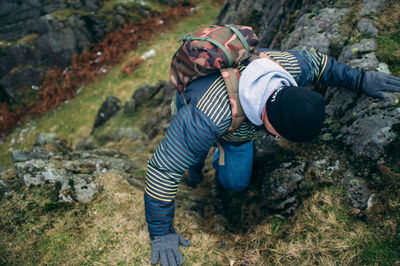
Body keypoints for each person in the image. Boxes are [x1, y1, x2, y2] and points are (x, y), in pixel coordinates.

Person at [145, 48, 400, 266]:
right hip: (199, 110)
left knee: (236, 183)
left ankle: (216, 156)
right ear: (268, 119)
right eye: (281, 134)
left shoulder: (287, 66)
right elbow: (163, 169)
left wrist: (361, 80)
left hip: (236, 132)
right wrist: (161, 233)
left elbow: (321, 64)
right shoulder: (208, 115)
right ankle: (196, 173)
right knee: (189, 157)